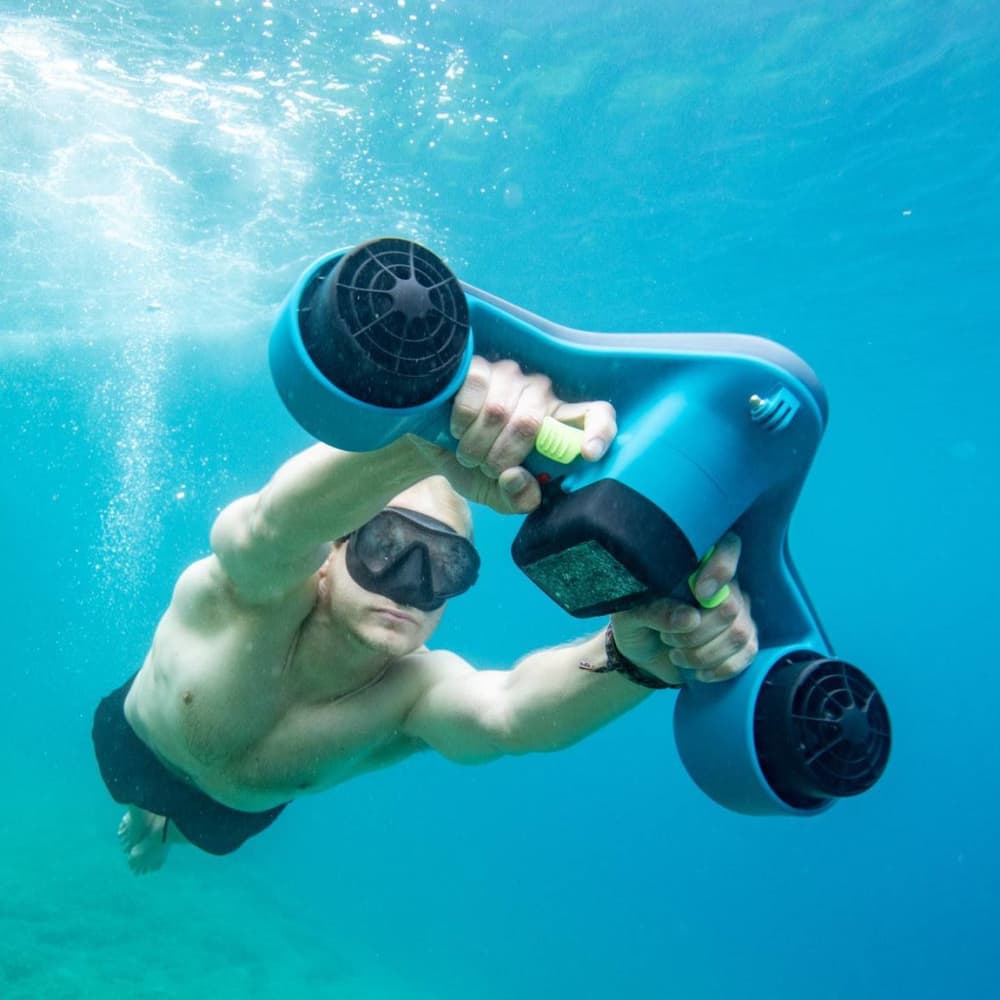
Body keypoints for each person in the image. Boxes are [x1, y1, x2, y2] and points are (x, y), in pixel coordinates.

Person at [92, 357, 758, 874]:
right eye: (388, 547)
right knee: (138, 802)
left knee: (182, 834)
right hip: (134, 748)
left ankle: (168, 833)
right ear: (333, 551)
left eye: (445, 569)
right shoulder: (255, 592)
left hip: (230, 818)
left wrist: (633, 657)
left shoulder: (412, 692)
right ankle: (146, 816)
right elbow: (270, 529)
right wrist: (426, 438)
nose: (410, 586)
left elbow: (508, 714)